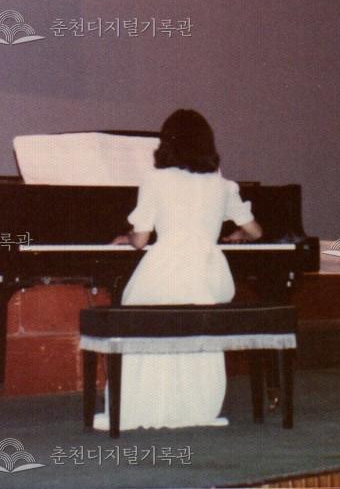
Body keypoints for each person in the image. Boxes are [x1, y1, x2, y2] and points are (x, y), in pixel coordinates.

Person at [93, 109, 263, 430]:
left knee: (144, 317)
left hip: (166, 269)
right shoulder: (223, 185)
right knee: (196, 321)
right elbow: (256, 231)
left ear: (167, 143)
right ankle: (195, 406)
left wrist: (127, 236)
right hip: (207, 275)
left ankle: (147, 403)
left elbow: (141, 240)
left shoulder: (156, 180)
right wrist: (238, 233)